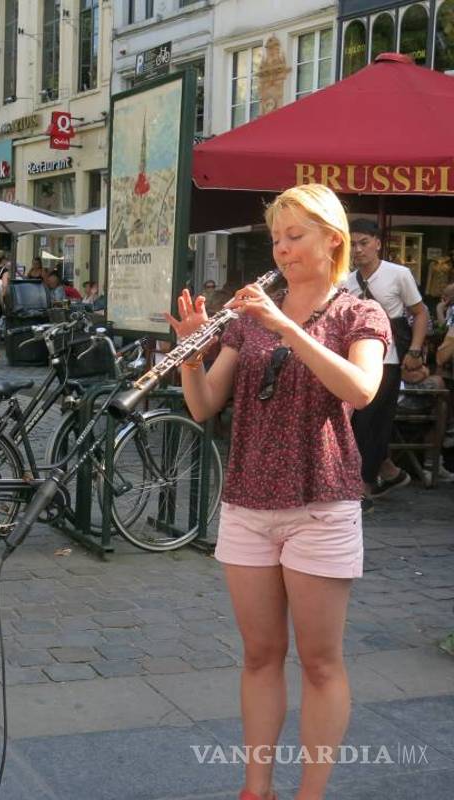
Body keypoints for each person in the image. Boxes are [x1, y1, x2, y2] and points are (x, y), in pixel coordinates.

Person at [166, 184, 389, 800]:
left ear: (332, 241)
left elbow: (361, 388)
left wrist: (287, 325)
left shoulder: (359, 314)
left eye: (295, 236)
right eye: (276, 239)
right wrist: (191, 354)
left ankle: (309, 793)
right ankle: (256, 787)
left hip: (321, 502)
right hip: (248, 501)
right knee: (260, 655)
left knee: (320, 662)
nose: (282, 249)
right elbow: (205, 405)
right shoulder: (248, 318)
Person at [345, 219, 430, 501]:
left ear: (378, 243)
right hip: (354, 359)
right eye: (353, 244)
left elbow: (420, 312)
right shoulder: (346, 281)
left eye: (364, 243)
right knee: (358, 421)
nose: (358, 249)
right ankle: (389, 472)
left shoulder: (398, 274)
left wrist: (414, 350)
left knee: (370, 421)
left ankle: (365, 485)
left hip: (389, 359)